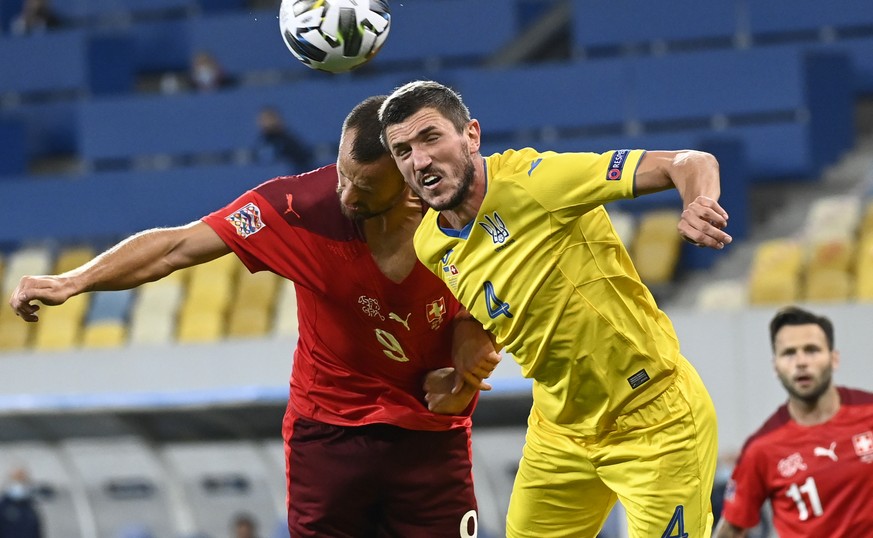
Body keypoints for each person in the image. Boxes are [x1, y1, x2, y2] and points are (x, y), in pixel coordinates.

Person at [9, 95, 500, 537]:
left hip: (433, 434)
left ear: (408, 175)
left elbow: (494, 302)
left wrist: (473, 348)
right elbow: (176, 246)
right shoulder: (297, 208)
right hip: (328, 435)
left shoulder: (462, 212)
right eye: (343, 175)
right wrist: (73, 281)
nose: (347, 196)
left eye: (366, 187)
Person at [379, 80, 733, 538]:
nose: (419, 160)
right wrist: (462, 368)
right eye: (403, 150)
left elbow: (690, 162)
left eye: (430, 138)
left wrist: (699, 201)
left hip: (655, 419)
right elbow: (499, 302)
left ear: (471, 136)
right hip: (559, 429)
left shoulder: (538, 181)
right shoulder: (429, 244)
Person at [715, 306, 873, 537]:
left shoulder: (868, 412)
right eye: (789, 353)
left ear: (834, 358)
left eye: (811, 350)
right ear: (775, 367)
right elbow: (732, 529)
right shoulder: (761, 448)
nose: (801, 362)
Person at [253, 106, 314, 172]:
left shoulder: (288, 140)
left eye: (268, 118)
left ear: (277, 119)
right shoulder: (262, 141)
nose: (266, 122)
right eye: (262, 119)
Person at [0, 466, 43, 538]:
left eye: (22, 480)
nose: (19, 484)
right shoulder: (3, 508)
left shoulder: (30, 509)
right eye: (16, 479)